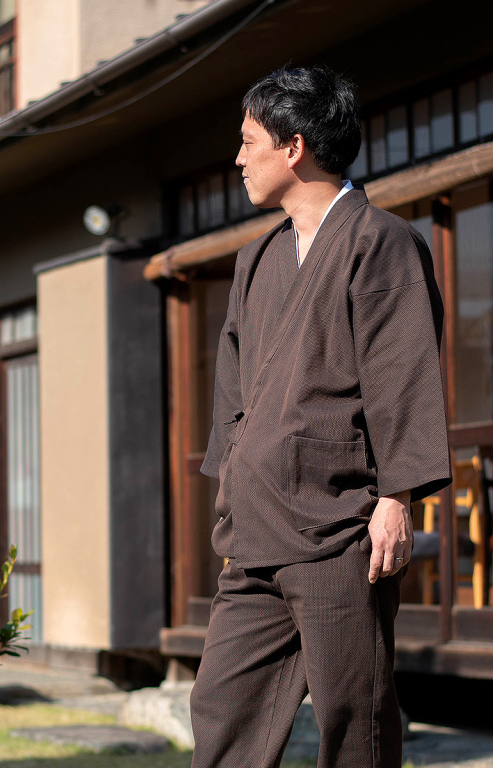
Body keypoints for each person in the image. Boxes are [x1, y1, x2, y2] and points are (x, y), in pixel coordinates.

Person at [190, 65, 452, 768]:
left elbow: (402, 372)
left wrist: (396, 498)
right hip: (257, 530)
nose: (239, 158)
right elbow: (234, 394)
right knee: (222, 709)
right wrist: (233, 486)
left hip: (340, 523)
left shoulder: (381, 241)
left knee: (352, 713)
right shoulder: (257, 259)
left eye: (249, 141)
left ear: (294, 146)